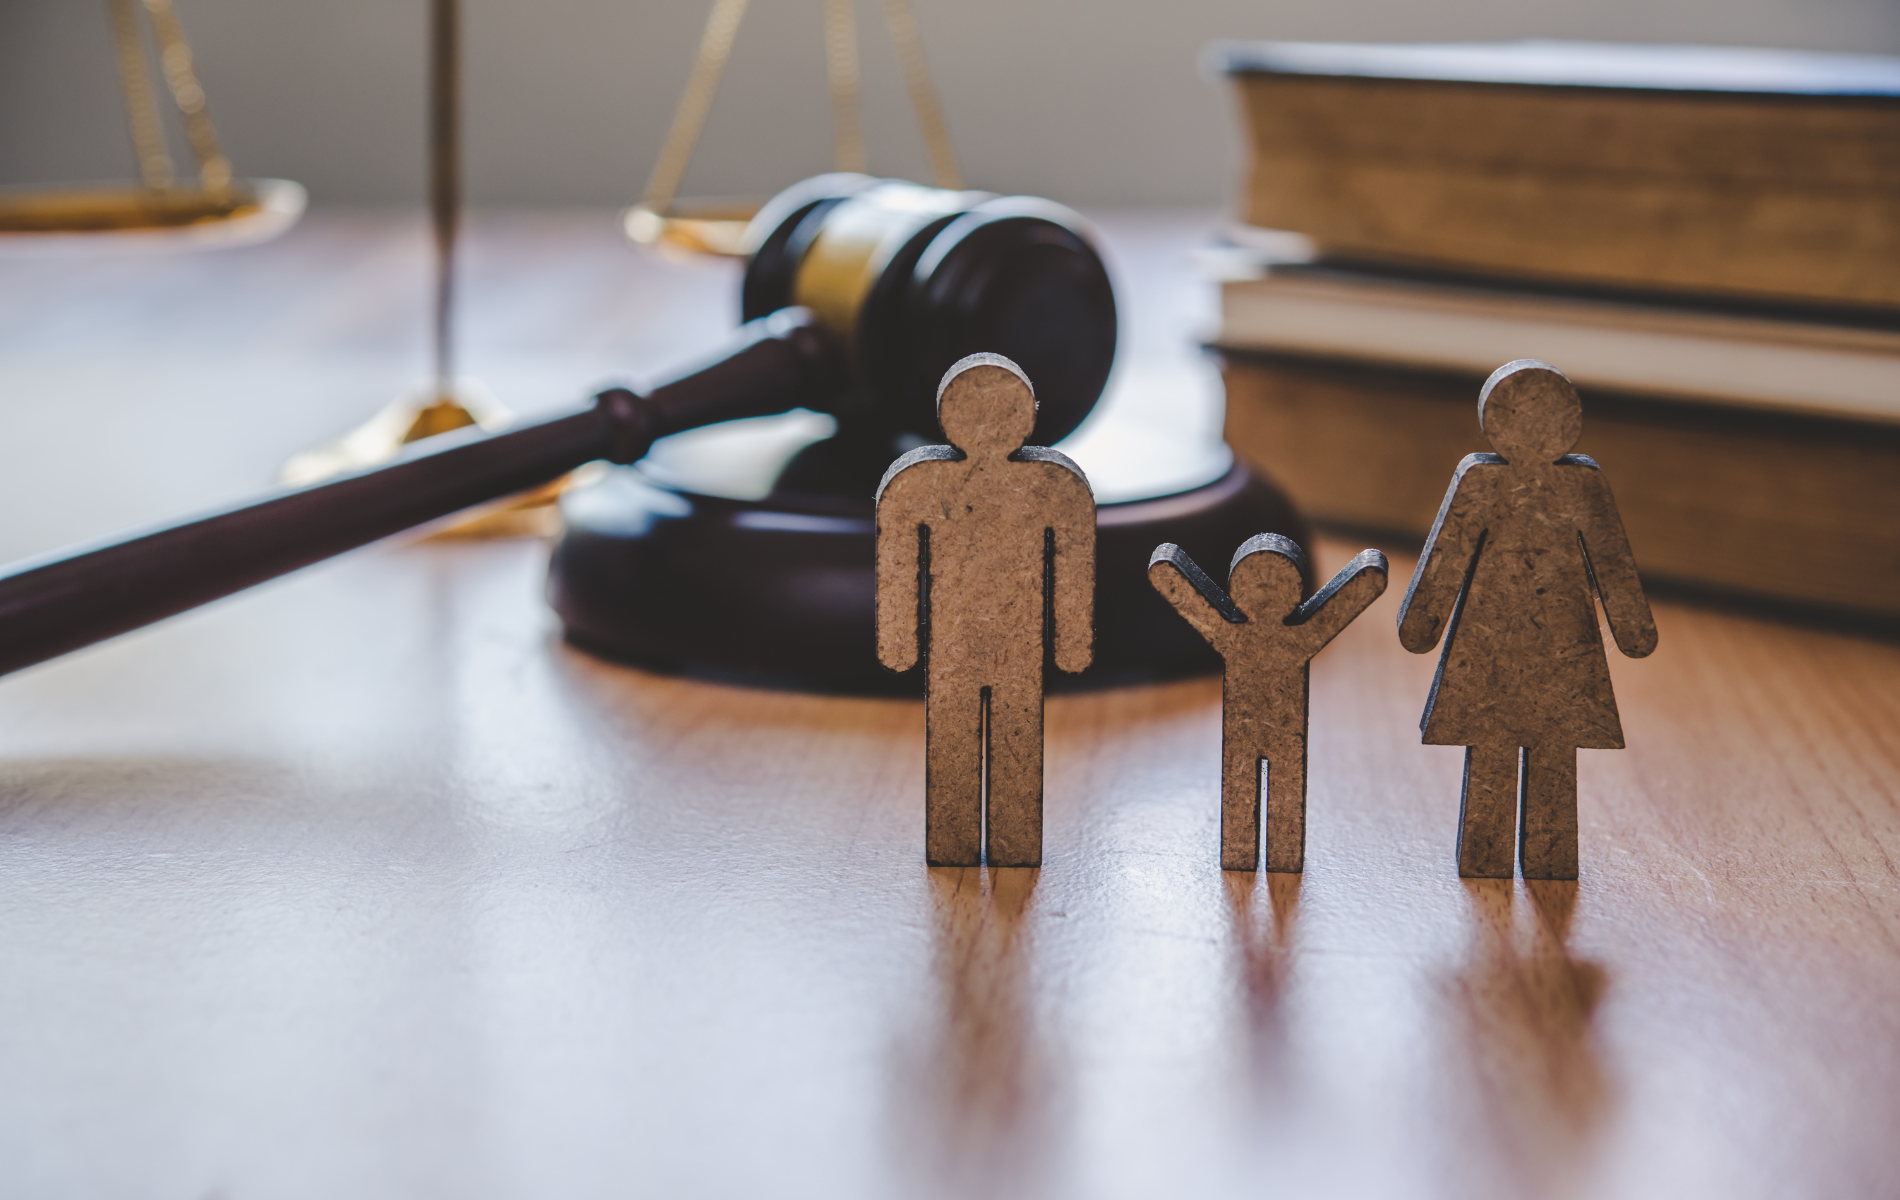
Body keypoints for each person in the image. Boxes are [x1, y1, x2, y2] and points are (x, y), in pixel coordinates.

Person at [1398, 359, 1657, 880]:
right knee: (1512, 748)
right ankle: (1495, 856)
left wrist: (1422, 625)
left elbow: (1611, 563)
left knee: (1546, 753)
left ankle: (1537, 859)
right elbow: (1448, 555)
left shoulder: (1579, 485)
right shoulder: (1484, 482)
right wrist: (1633, 631)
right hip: (1500, 652)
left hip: (1545, 650)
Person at [874, 355, 1095, 867]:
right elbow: (898, 556)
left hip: (1014, 645)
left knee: (1014, 732)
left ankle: (1011, 841)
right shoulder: (918, 484)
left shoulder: (1054, 487)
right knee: (954, 733)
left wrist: (1071, 644)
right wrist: (900, 642)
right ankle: (958, 841)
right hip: (953, 646)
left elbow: (1074, 562)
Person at [1150, 535, 1387, 872]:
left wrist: (1166, 569)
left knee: (1272, 791)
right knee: (1248, 788)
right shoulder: (1271, 635)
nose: (1265, 594)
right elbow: (1187, 592)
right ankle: (1254, 854)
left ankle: (1272, 855)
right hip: (1259, 733)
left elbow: (1185, 592)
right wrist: (1369, 575)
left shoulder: (1250, 635)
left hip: (1275, 734)